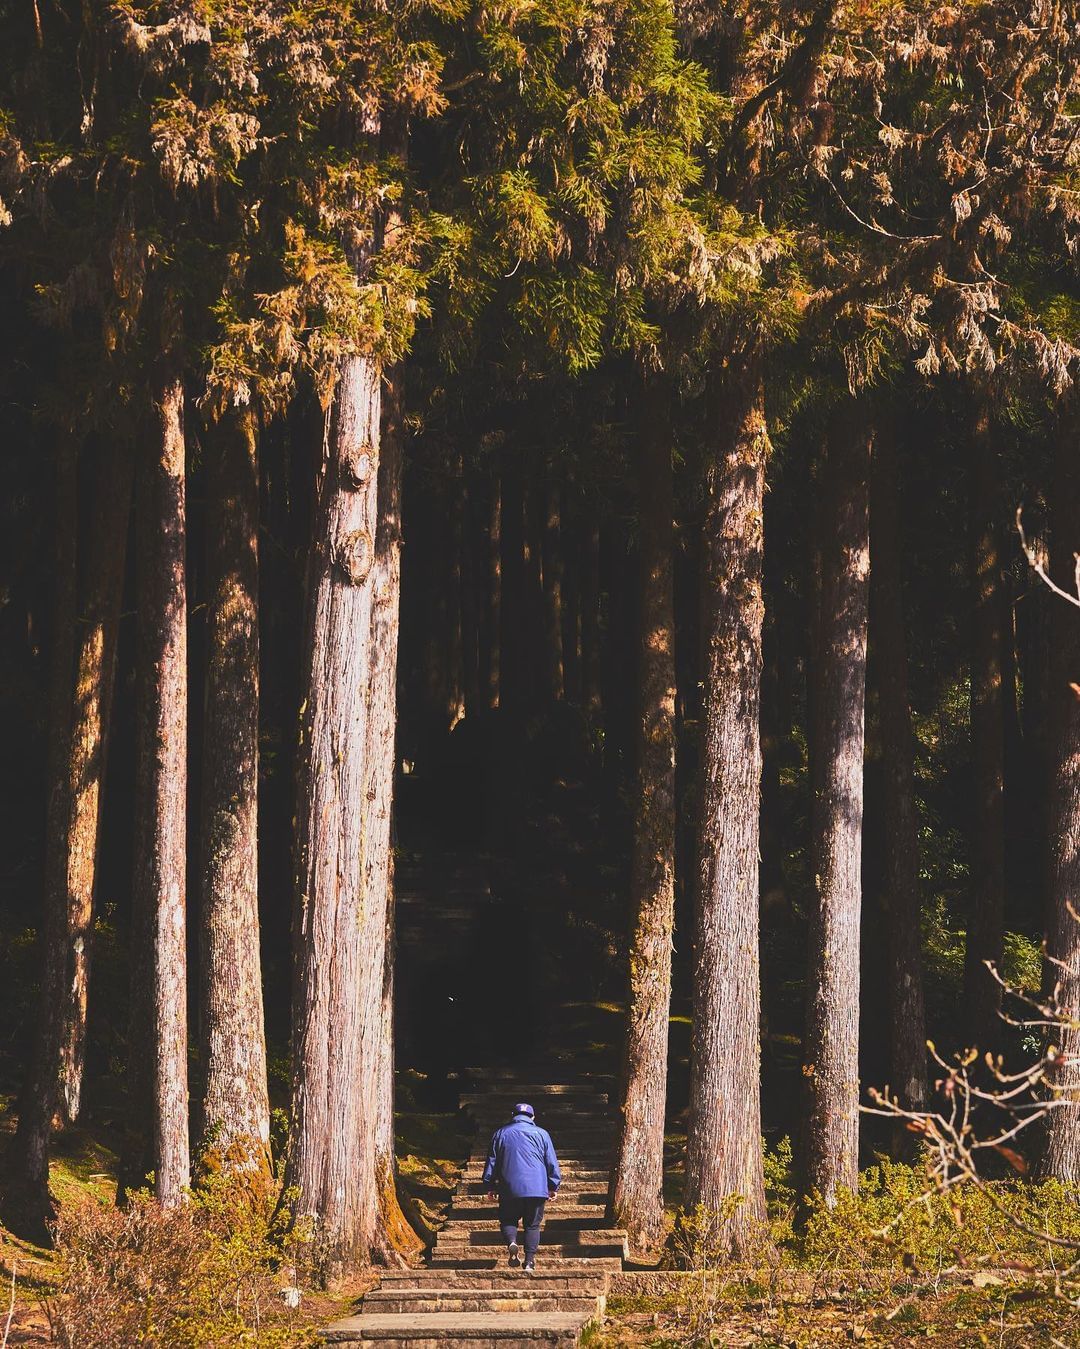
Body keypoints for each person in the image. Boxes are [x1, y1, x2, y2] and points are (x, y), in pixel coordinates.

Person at [482, 1101, 561, 1272]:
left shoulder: (500, 1134)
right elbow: (551, 1162)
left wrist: (490, 1184)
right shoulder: (542, 1134)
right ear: (532, 1117)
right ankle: (530, 1262)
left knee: (508, 1219)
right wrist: (553, 1185)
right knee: (532, 1225)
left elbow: (492, 1162)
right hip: (537, 1188)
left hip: (509, 1187)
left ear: (513, 1116)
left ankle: (512, 1242)